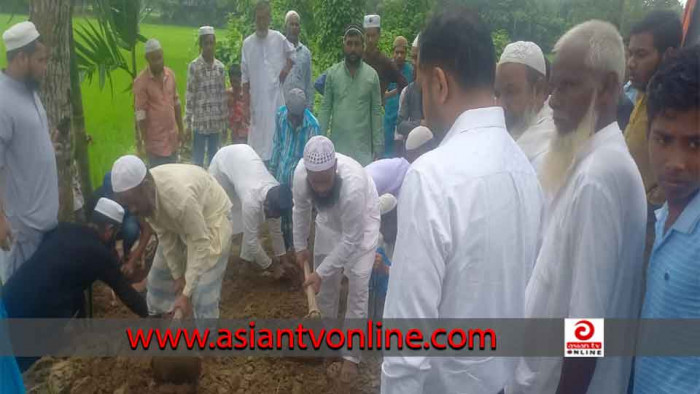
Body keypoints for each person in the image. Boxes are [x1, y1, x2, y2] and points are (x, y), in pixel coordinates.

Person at [381, 9, 544, 394]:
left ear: (439, 83)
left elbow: (406, 346)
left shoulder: (433, 176)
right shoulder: (524, 167)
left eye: (421, 87)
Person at [513, 21, 647, 394]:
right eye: (553, 86)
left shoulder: (599, 176)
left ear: (606, 88)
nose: (553, 99)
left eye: (568, 85)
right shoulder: (589, 160)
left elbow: (587, 329)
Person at [2, 198, 148, 371]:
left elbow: (73, 281)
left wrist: (83, 325)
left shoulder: (63, 229)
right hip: (40, 316)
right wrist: (152, 315)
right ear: (109, 230)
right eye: (116, 233)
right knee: (15, 367)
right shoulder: (99, 254)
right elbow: (126, 292)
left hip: (10, 296)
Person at [633, 46, 700, 394]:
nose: (677, 161)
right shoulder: (661, 218)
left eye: (695, 144)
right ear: (648, 136)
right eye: (664, 140)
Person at [294, 136, 380, 384]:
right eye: (315, 182)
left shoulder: (352, 186)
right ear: (307, 173)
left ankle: (352, 357)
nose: (320, 188)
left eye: (326, 181)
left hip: (361, 224)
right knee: (326, 289)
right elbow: (299, 209)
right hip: (328, 221)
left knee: (358, 288)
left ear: (335, 168)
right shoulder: (300, 177)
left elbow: (352, 240)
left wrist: (318, 273)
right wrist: (300, 246)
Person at [111, 156, 233, 319]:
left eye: (133, 204)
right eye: (127, 206)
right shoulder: (146, 196)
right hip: (180, 223)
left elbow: (200, 243)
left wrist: (186, 293)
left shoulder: (179, 199)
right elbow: (165, 236)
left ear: (146, 186)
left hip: (211, 221)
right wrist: (178, 277)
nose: (132, 210)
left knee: (203, 294)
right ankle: (158, 324)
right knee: (156, 282)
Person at [0, 21, 58, 283]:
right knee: (19, 301)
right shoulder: (3, 100)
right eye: (40, 60)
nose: (45, 67)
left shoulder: (28, 90)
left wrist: (45, 146)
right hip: (21, 230)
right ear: (21, 57)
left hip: (42, 224)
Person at [625, 10, 682, 263]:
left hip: (653, 223)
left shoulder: (677, 112)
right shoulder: (641, 96)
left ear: (669, 55)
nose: (631, 63)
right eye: (630, 53)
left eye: (641, 55)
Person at [208, 144, 294, 278]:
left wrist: (284, 260)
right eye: (271, 214)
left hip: (242, 161)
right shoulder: (251, 199)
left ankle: (245, 261)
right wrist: (272, 267)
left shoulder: (277, 192)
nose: (272, 218)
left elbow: (276, 231)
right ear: (266, 204)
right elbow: (252, 241)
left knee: (253, 219)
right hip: (222, 165)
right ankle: (212, 262)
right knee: (223, 216)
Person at [319, 25, 383, 166]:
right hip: (337, 152)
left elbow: (376, 112)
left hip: (363, 153)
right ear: (344, 45)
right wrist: (319, 140)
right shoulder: (332, 74)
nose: (353, 48)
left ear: (363, 46)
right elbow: (325, 108)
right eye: (349, 43)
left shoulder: (371, 76)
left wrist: (378, 146)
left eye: (356, 44)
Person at [242, 1, 295, 162]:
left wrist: (284, 72)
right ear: (255, 19)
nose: (262, 22)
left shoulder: (278, 38)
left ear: (270, 18)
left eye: (265, 18)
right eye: (259, 18)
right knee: (257, 146)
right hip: (256, 101)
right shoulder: (247, 44)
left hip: (275, 100)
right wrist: (245, 105)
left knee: (276, 137)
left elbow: (292, 55)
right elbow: (245, 78)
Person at [269, 88, 320, 249]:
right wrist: (272, 170)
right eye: (292, 115)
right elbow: (277, 144)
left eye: (298, 117)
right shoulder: (280, 115)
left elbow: (312, 162)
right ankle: (284, 247)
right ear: (287, 109)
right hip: (281, 174)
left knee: (297, 217)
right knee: (281, 214)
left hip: (299, 180)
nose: (295, 120)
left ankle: (296, 248)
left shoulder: (312, 126)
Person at [496, 41, 555, 172]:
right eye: (497, 93)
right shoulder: (517, 129)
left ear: (539, 90)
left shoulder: (547, 151)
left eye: (510, 92)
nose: (500, 104)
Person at [133, 38, 183, 168]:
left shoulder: (170, 75)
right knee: (158, 179)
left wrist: (181, 130)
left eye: (160, 57)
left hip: (172, 139)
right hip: (155, 144)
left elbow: (176, 103)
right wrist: (144, 142)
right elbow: (140, 115)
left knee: (173, 176)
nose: (158, 62)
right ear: (147, 59)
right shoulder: (141, 82)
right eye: (153, 59)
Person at [186, 26, 227, 168]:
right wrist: (187, 122)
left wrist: (224, 124)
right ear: (201, 45)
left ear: (215, 43)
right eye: (206, 43)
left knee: (213, 160)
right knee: (197, 161)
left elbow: (222, 96)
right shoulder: (194, 67)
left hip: (215, 123)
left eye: (211, 43)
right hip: (200, 122)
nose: (209, 47)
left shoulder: (220, 68)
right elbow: (190, 95)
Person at [362, 15, 408, 106]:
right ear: (364, 35)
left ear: (379, 36)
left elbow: (404, 84)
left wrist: (386, 95)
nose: (370, 40)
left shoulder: (385, 62)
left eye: (373, 36)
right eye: (368, 35)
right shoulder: (357, 59)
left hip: (375, 113)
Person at [368, 193, 397, 322]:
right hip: (377, 295)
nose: (384, 226)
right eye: (381, 221)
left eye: (387, 220)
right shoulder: (378, 238)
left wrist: (384, 268)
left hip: (395, 299)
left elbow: (409, 276)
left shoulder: (409, 240)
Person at [383, 36, 414, 157]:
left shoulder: (411, 71)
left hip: (405, 119)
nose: (399, 55)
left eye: (402, 52)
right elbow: (381, 94)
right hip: (389, 119)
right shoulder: (386, 69)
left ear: (406, 53)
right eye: (397, 52)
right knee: (388, 154)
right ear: (393, 52)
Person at [283, 10, 313, 111]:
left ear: (300, 28)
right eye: (291, 24)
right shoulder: (278, 50)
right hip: (281, 107)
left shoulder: (306, 53)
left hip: (300, 111)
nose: (294, 27)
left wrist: (309, 110)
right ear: (285, 26)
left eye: (296, 25)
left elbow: (308, 83)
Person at [396, 34, 423, 140]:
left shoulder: (440, 92)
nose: (414, 63)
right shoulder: (408, 91)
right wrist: (421, 124)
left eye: (417, 58)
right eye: (413, 57)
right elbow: (400, 125)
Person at [226, 64, 249, 144]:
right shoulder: (228, 94)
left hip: (246, 133)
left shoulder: (246, 95)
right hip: (234, 133)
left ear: (241, 79)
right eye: (232, 81)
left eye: (236, 81)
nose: (234, 84)